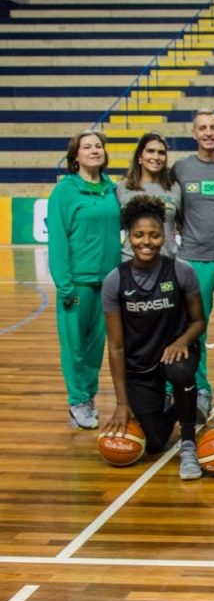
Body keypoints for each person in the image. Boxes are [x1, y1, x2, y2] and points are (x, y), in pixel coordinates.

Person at [101, 196, 206, 479]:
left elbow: (199, 321)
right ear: (128, 238)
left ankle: (187, 442)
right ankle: (180, 407)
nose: (146, 242)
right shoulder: (115, 281)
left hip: (174, 353)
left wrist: (182, 341)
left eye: (154, 235)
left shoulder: (181, 271)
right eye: (138, 235)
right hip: (138, 366)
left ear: (166, 237)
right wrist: (122, 403)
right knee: (155, 442)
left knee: (181, 369)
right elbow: (115, 345)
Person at [171, 109, 214, 420]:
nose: (209, 133)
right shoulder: (181, 169)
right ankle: (199, 389)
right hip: (192, 260)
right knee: (194, 330)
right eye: (203, 128)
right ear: (194, 133)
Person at [48, 129, 121, 429]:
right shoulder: (64, 192)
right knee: (75, 346)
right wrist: (64, 284)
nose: (94, 150)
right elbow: (58, 241)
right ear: (75, 155)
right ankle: (78, 398)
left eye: (98, 146)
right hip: (76, 283)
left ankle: (88, 396)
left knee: (95, 347)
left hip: (108, 283)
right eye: (87, 147)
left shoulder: (112, 188)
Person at [116, 132, 182, 262]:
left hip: (166, 263)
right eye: (150, 151)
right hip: (131, 263)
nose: (156, 157)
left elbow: (183, 225)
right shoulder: (122, 188)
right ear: (140, 156)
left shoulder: (175, 188)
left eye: (161, 153)